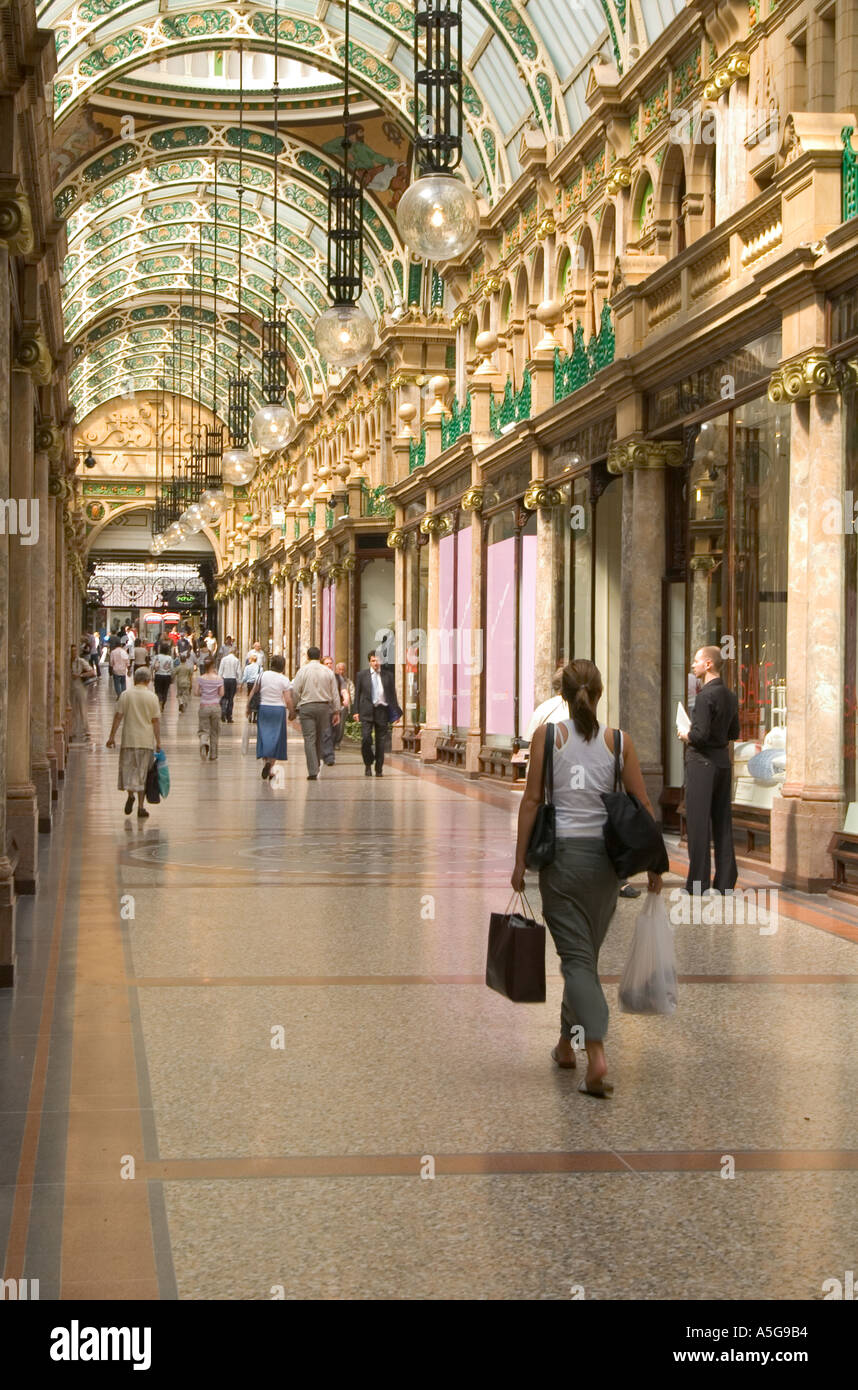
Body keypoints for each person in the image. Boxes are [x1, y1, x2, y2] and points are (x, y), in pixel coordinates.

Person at [511, 659, 663, 1098]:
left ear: (565, 695)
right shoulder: (619, 742)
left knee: (577, 961)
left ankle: (595, 1052)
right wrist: (655, 862)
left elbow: (531, 801)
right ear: (599, 694)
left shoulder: (548, 737)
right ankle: (566, 1045)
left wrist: (520, 862)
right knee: (584, 958)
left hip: (561, 864)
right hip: (604, 870)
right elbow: (642, 805)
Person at [678, 645, 740, 894]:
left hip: (702, 764)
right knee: (722, 822)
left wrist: (685, 734)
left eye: (696, 662)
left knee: (698, 823)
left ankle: (697, 884)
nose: (693, 666)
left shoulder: (705, 696)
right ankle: (725, 883)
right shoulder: (731, 695)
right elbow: (734, 733)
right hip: (723, 764)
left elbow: (699, 736)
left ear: (708, 665)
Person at [105, 666, 162, 820]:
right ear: (148, 680)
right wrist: (158, 741)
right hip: (145, 741)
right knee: (143, 774)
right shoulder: (152, 697)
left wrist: (111, 737)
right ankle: (141, 807)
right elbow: (155, 721)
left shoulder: (125, 695)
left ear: (136, 679)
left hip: (129, 740)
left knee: (129, 771)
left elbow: (118, 716)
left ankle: (131, 796)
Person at [290, 647, 341, 780]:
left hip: (307, 707)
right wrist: (336, 711)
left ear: (307, 656)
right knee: (320, 737)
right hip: (324, 707)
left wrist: (293, 707)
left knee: (309, 739)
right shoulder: (327, 671)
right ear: (319, 657)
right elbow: (334, 692)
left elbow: (296, 691)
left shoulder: (303, 671)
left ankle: (313, 770)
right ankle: (316, 764)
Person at [353, 649, 400, 777]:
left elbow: (392, 695)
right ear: (369, 662)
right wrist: (356, 711)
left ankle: (379, 768)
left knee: (381, 742)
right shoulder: (362, 675)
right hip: (367, 711)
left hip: (382, 711)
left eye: (378, 660)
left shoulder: (388, 675)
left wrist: (396, 712)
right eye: (373, 660)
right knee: (366, 739)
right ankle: (368, 763)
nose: (376, 663)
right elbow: (357, 694)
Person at [256, 654, 296, 781]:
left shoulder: (262, 675)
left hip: (264, 708)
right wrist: (292, 711)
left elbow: (254, 691)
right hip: (278, 709)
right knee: (276, 738)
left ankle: (265, 763)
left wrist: (247, 707)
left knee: (264, 736)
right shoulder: (284, 679)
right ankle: (271, 766)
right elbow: (288, 699)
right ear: (283, 666)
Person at [193, 656, 224, 761]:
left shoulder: (201, 678)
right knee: (215, 731)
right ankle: (213, 754)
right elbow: (221, 693)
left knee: (203, 729)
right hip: (215, 707)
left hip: (204, 706)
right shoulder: (219, 678)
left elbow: (196, 693)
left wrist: (204, 692)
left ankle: (204, 742)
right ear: (213, 665)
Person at [69, 644, 94, 742]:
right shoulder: (67, 662)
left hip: (80, 688)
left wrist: (80, 675)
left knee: (82, 709)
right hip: (71, 688)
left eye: (75, 651)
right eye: (72, 651)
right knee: (72, 710)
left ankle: (86, 730)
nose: (73, 653)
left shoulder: (81, 662)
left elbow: (92, 672)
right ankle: (72, 730)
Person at [218, 646, 241, 723]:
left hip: (225, 679)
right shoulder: (236, 660)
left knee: (224, 697)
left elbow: (220, 671)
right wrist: (239, 683)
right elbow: (238, 672)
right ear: (235, 652)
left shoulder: (224, 659)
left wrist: (219, 680)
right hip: (232, 680)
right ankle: (229, 716)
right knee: (231, 699)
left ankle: (223, 711)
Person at [151, 642, 174, 711]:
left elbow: (152, 666)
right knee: (165, 691)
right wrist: (172, 677)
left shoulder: (157, 656)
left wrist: (152, 675)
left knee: (158, 690)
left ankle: (159, 701)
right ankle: (163, 704)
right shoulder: (170, 658)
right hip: (167, 676)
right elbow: (172, 668)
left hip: (158, 675)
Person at [242, 651, 261, 720]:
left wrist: (241, 684)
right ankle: (255, 717)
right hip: (256, 684)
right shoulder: (259, 667)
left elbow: (245, 677)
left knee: (250, 698)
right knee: (256, 699)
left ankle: (249, 714)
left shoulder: (247, 667)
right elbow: (260, 676)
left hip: (249, 684)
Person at [173, 648, 194, 713]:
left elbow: (174, 674)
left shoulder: (178, 667)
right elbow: (191, 676)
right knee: (186, 695)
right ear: (185, 660)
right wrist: (191, 683)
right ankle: (184, 705)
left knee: (179, 695)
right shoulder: (188, 667)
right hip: (187, 682)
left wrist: (172, 680)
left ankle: (181, 703)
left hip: (180, 683)